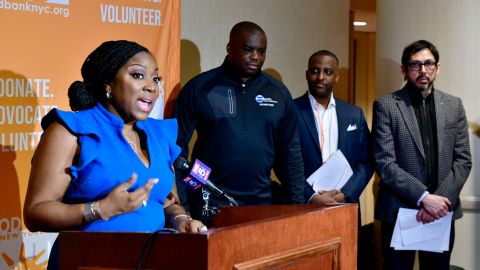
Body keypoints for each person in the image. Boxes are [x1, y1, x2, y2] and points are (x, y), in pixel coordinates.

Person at [23, 40, 206, 269]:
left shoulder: (159, 134)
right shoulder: (72, 130)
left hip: (153, 259)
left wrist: (181, 219)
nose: (151, 86)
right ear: (108, 83)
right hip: (90, 261)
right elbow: (35, 212)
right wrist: (100, 209)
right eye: (139, 75)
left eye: (156, 79)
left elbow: (167, 202)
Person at [174, 21, 305, 224]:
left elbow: (290, 155)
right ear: (229, 48)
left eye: (261, 51)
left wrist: (298, 208)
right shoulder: (199, 88)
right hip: (209, 203)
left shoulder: (278, 93)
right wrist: (184, 206)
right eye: (248, 49)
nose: (255, 57)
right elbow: (177, 151)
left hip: (260, 204)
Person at [372, 40, 472, 270]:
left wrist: (439, 202)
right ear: (404, 70)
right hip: (400, 212)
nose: (423, 70)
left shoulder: (454, 106)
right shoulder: (386, 105)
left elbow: (463, 160)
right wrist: (424, 198)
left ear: (437, 68)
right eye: (415, 65)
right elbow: (385, 163)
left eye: (428, 64)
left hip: (441, 212)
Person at [294, 50, 373, 269]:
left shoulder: (354, 114)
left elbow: (366, 162)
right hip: (305, 207)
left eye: (328, 72)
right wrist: (310, 196)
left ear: (336, 76)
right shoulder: (291, 111)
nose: (321, 77)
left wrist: (346, 194)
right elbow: (283, 163)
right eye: (316, 70)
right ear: (307, 73)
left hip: (344, 208)